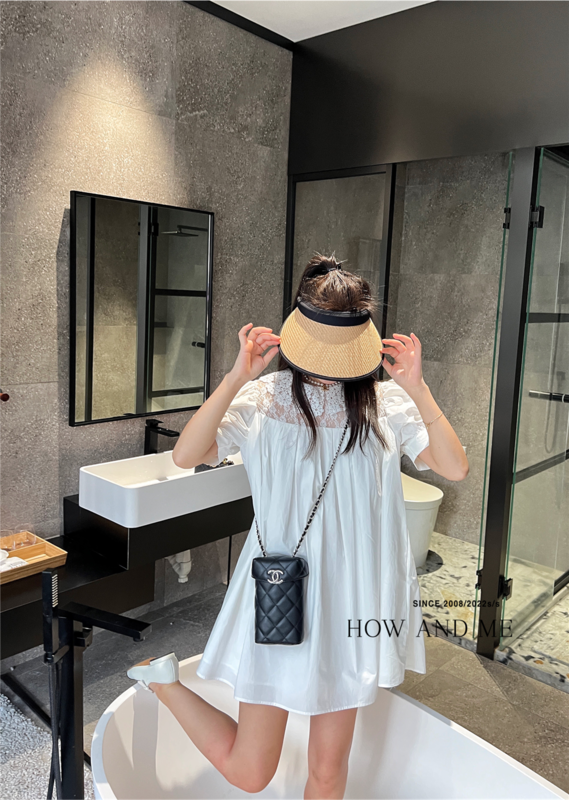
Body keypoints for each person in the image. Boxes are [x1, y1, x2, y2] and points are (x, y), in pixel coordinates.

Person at [126, 253, 469, 799]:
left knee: (329, 772)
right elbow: (187, 454)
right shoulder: (264, 399)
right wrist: (237, 375)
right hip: (282, 595)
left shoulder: (386, 403)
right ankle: (165, 682)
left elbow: (454, 467)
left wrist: (419, 387)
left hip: (355, 600)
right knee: (251, 771)